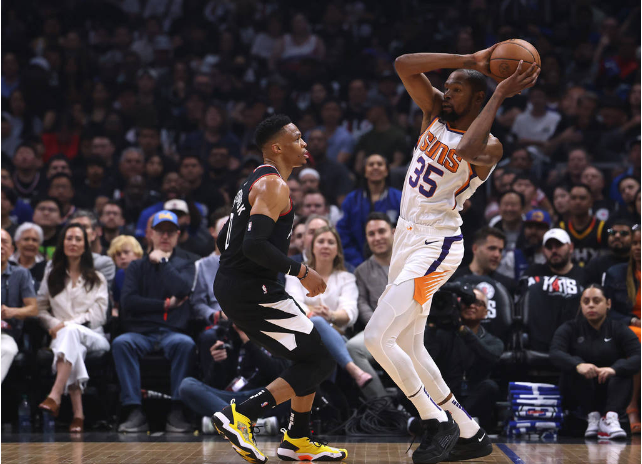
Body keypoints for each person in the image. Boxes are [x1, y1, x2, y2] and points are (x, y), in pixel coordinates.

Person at [363, 46, 539, 463]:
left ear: (478, 99)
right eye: (445, 86)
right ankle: (470, 430)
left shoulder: (490, 146)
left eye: (456, 90)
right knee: (409, 342)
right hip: (406, 239)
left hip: (437, 245)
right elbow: (402, 64)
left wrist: (496, 93)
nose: (445, 93)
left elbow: (463, 152)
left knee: (375, 337)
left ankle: (434, 421)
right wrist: (471, 59)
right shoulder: (433, 114)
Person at [211, 114, 347, 462]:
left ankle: (297, 439)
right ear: (276, 147)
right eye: (298, 138)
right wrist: (302, 271)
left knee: (310, 355)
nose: (305, 144)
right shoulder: (274, 185)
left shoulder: (252, 183)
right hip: (250, 289)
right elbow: (253, 246)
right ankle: (240, 414)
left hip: (238, 286)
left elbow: (223, 236)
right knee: (319, 360)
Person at [113, 210, 196, 433]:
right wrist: (164, 306)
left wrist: (163, 262)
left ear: (178, 235)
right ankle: (133, 410)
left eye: (170, 232)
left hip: (172, 332)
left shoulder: (187, 264)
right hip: (141, 333)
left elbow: (182, 288)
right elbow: (128, 302)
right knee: (122, 343)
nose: (165, 236)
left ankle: (177, 410)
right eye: (160, 231)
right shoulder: (136, 267)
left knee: (185, 344)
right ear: (150, 234)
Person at [36, 223, 110, 433]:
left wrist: (66, 325)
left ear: (86, 246)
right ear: (62, 243)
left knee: (70, 333)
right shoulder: (52, 275)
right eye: (69, 238)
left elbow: (97, 317)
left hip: (94, 336)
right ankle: (78, 415)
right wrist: (53, 324)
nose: (73, 243)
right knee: (71, 345)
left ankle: (55, 394)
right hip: (61, 336)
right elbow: (40, 309)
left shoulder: (97, 279)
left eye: (78, 239)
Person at [285, 226, 372, 388]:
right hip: (301, 336)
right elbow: (292, 303)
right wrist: (314, 315)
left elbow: (350, 312)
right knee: (317, 323)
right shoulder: (296, 274)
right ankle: (354, 370)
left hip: (337, 337)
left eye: (331, 242)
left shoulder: (347, 278)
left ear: (338, 250)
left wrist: (330, 315)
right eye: (321, 241)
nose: (325, 246)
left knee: (320, 335)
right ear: (312, 248)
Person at [549, 285, 641, 439]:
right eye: (586, 301)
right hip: (580, 391)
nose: (590, 305)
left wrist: (614, 369)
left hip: (612, 390)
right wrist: (578, 365)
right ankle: (592, 417)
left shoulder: (619, 328)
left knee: (622, 366)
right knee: (575, 362)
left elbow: (639, 355)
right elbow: (555, 353)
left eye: (596, 300)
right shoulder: (570, 328)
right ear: (581, 305)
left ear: (608, 304)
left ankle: (610, 418)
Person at [423, 288, 504, 432]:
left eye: (478, 303)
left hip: (474, 397)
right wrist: (432, 325)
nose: (471, 305)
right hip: (446, 395)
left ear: (486, 312)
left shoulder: (493, 340)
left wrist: (463, 330)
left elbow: (491, 357)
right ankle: (460, 422)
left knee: (490, 386)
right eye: (467, 302)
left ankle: (450, 423)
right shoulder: (443, 335)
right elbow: (424, 361)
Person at [346, 213, 395, 398]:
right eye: (371, 234)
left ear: (394, 232)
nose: (377, 238)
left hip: (414, 327)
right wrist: (379, 324)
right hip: (380, 331)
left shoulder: (412, 263)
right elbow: (362, 304)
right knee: (352, 348)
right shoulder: (361, 271)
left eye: (381, 231)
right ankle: (385, 409)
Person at [337, 153, 402, 267]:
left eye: (380, 164)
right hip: (356, 263)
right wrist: (358, 262)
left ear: (386, 171)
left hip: (394, 262)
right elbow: (343, 234)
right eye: (371, 164)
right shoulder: (351, 200)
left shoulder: (400, 198)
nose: (375, 167)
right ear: (365, 172)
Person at [1, 229, 37, 383]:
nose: (0, 246)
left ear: (11, 250)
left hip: (5, 334)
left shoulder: (21, 274)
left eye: (4, 242)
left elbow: (33, 309)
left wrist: (12, 311)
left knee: (8, 350)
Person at [451, 227, 517, 295]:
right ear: (475, 249)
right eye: (492, 248)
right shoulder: (453, 280)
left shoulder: (507, 286)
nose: (497, 255)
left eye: (500, 250)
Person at [558, 184, 607, 267]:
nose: (578, 202)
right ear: (569, 202)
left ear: (591, 202)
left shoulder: (602, 227)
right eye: (573, 198)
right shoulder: (561, 229)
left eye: (582, 198)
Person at [585, 219, 633, 285]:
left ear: (633, 238)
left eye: (623, 233)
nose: (617, 236)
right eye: (612, 233)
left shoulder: (638, 264)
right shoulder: (596, 265)